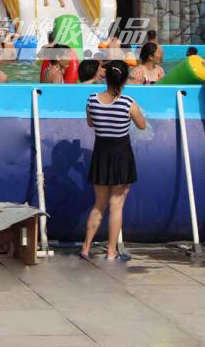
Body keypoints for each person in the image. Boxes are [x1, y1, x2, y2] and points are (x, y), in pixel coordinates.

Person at [81, 60, 147, 260]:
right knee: (116, 205)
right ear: (125, 80)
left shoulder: (92, 99)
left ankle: (85, 248)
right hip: (121, 155)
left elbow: (90, 123)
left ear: (106, 78)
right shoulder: (128, 103)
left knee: (99, 204)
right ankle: (111, 251)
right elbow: (142, 125)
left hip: (101, 154)